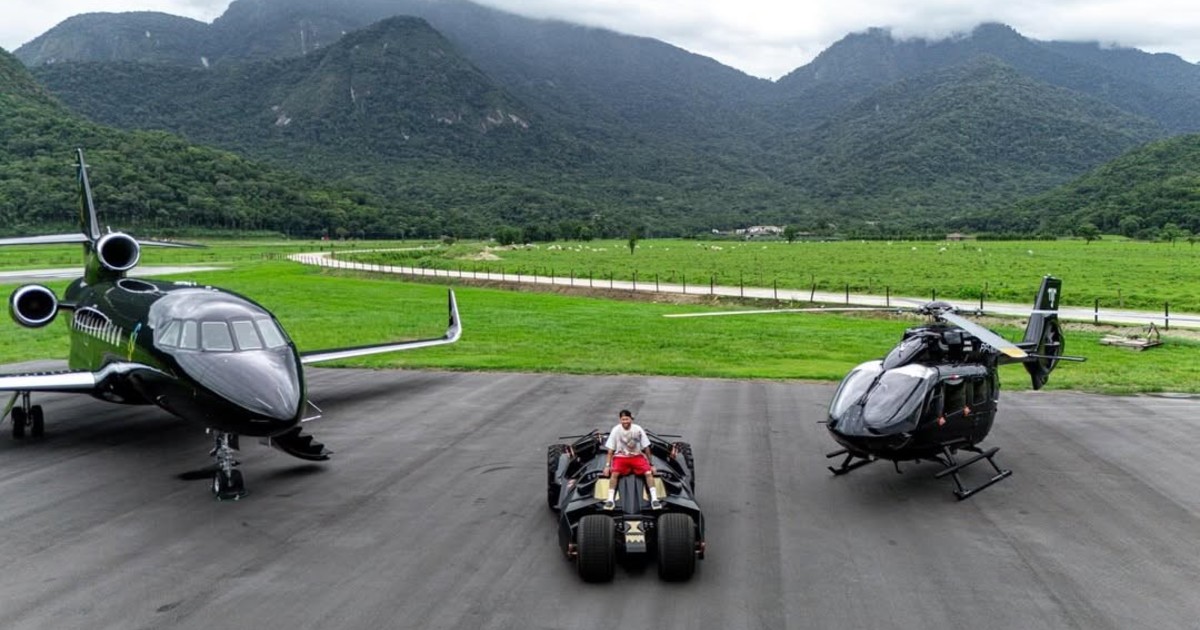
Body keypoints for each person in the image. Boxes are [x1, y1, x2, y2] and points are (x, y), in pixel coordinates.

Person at [602, 409, 662, 510]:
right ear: (620, 420)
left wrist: (651, 465)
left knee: (648, 473)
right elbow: (610, 450)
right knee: (614, 474)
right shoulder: (616, 430)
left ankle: (654, 499)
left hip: (636, 457)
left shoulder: (638, 429)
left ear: (631, 419)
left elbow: (646, 447)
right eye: (623, 419)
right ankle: (610, 500)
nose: (625, 421)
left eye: (627, 419)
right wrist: (607, 466)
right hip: (621, 457)